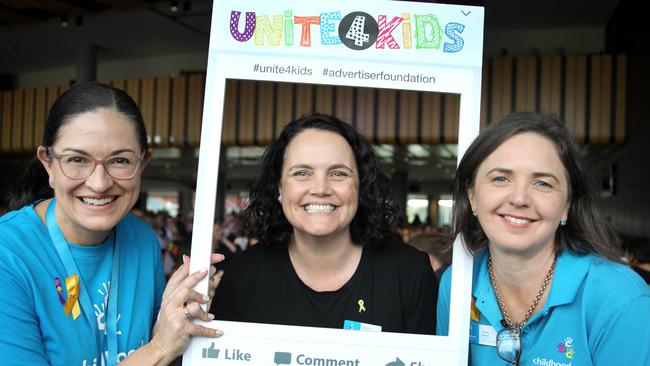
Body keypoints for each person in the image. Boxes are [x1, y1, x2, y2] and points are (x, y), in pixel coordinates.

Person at [0, 83, 223, 366]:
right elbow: (156, 349)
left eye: (119, 160)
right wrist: (161, 347)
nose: (100, 183)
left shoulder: (142, 239)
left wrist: (179, 310)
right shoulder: (8, 255)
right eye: (77, 160)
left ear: (143, 163)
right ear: (48, 163)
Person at [437, 112, 650, 365]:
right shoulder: (458, 283)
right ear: (472, 195)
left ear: (566, 205)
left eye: (542, 183)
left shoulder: (620, 299)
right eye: (500, 178)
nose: (519, 198)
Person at [210, 114, 437, 334]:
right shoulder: (244, 274)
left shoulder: (409, 272)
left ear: (361, 185)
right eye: (302, 173)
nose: (320, 189)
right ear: (279, 187)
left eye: (338, 173)